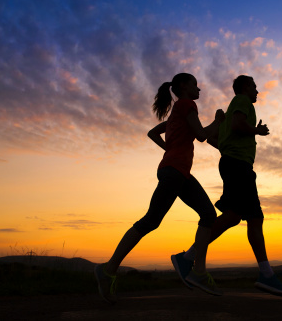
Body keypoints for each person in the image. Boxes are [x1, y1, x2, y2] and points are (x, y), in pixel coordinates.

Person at [95, 73, 225, 304]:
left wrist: (170, 149)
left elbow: (153, 133)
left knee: (207, 214)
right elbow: (203, 135)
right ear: (184, 87)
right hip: (175, 171)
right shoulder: (187, 104)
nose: (199, 89)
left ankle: (199, 272)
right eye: (196, 84)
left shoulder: (177, 113)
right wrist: (218, 120)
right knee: (151, 220)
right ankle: (108, 269)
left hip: (177, 171)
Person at [171, 75, 282, 296]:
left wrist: (228, 150)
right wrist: (257, 131)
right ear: (246, 87)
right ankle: (266, 275)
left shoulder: (228, 113)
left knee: (238, 217)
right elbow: (238, 125)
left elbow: (214, 139)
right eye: (255, 87)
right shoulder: (242, 101)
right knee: (247, 217)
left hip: (235, 164)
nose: (257, 91)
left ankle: (188, 257)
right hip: (238, 166)